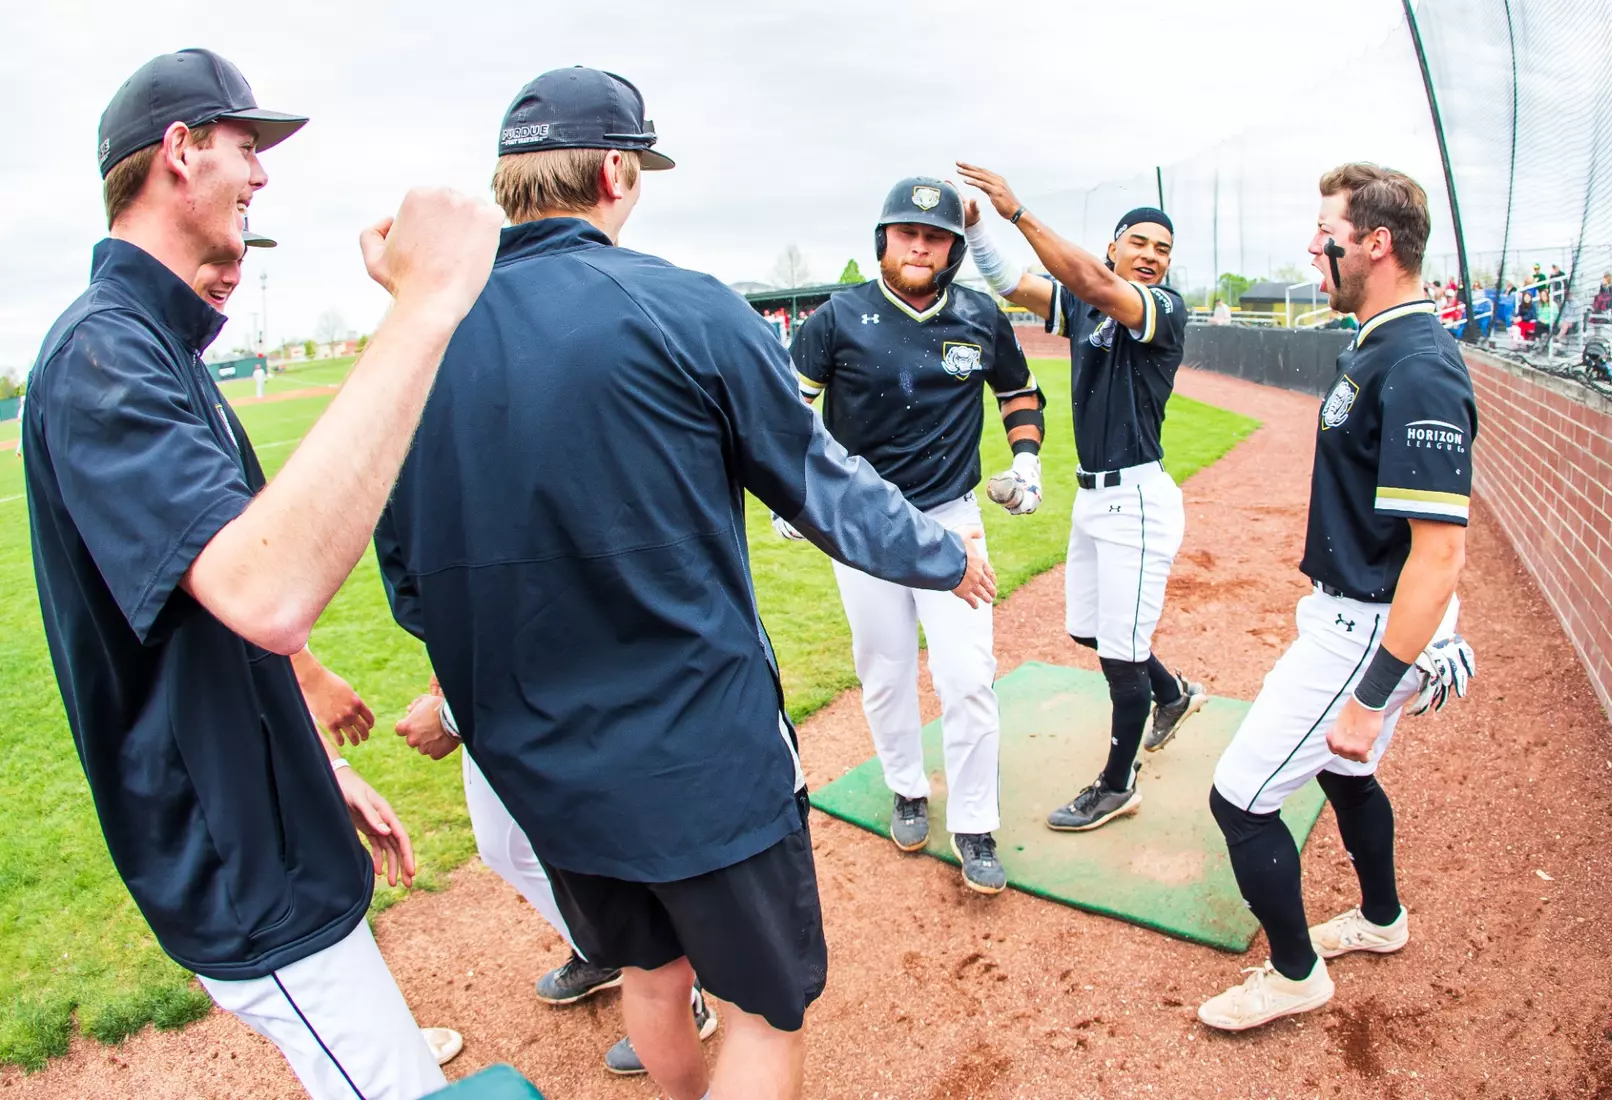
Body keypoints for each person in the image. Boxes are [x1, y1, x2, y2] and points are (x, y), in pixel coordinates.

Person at [374, 68, 994, 1100]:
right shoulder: (685, 304)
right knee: (761, 1017)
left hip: (546, 761)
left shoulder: (421, 335)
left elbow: (409, 575)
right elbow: (822, 484)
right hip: (701, 751)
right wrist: (942, 553)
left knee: (650, 976)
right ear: (616, 172)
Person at [24, 48, 503, 1098]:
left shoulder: (159, 348)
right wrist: (423, 304)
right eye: (247, 146)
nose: (262, 172)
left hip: (270, 814)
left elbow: (224, 617)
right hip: (241, 861)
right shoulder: (103, 354)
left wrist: (317, 764)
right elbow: (269, 592)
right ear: (180, 151)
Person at [1196, 163, 1477, 1032]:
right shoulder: (1381, 343)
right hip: (1358, 612)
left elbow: (1441, 553)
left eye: (1327, 235)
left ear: (1376, 244)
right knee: (1347, 772)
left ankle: (1294, 976)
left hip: (1366, 627)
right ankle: (1382, 920)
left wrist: (1370, 694)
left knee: (1241, 798)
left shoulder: (1418, 363)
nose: (1314, 249)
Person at [192, 238, 465, 1069]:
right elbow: (253, 594)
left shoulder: (180, 369)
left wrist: (328, 765)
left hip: (271, 790)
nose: (237, 260)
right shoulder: (121, 364)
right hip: (240, 840)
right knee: (386, 1075)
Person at [781, 177, 1046, 894]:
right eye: (908, 233)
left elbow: (1018, 392)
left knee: (967, 676)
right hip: (862, 527)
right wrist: (794, 493)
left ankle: (975, 823)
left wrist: (1027, 460)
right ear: (884, 241)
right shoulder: (836, 318)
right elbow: (789, 410)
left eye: (935, 237)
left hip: (951, 521)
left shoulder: (980, 315)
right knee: (885, 669)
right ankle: (906, 787)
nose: (921, 247)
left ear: (953, 249)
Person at [956, 161, 1208, 832]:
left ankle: (1118, 785)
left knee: (1121, 657)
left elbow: (1091, 280)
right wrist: (978, 228)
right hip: (1095, 497)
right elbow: (1012, 282)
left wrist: (1017, 211)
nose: (1151, 255)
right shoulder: (1087, 305)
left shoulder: (1162, 307)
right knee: (1090, 630)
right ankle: (1173, 694)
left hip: (1139, 501)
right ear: (1113, 246)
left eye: (1163, 248)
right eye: (1139, 242)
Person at [392, 684, 717, 1077]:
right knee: (502, 847)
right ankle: (604, 952)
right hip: (496, 701)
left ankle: (680, 994)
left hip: (545, 696)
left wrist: (450, 718)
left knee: (608, 830)